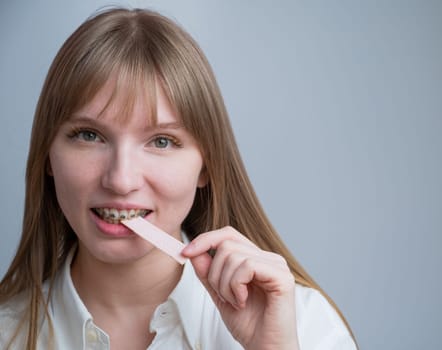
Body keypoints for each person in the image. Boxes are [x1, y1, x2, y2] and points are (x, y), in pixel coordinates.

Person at [0, 7, 357, 350]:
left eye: (161, 141)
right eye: (89, 135)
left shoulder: (303, 328)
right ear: (47, 154)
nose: (121, 180)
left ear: (206, 166)